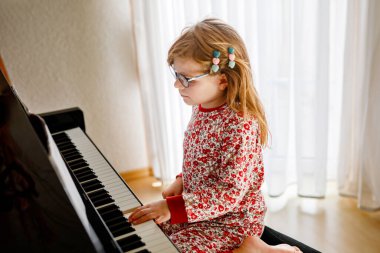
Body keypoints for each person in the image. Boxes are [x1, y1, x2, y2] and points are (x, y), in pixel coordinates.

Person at [129, 18, 301, 253]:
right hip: (198, 208)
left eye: (186, 79)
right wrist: (181, 180)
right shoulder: (200, 106)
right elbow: (200, 156)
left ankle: (260, 249)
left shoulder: (240, 125)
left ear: (222, 80)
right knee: (145, 233)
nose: (176, 86)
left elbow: (229, 193)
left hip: (231, 222)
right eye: (176, 75)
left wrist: (174, 208)